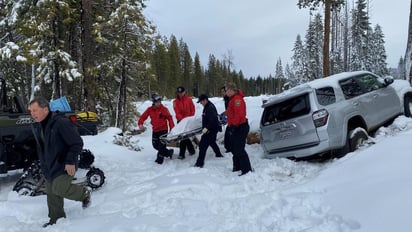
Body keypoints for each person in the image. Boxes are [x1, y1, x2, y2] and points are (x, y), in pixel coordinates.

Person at [28, 97, 91, 227]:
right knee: (51, 193)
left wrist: (70, 162)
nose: (32, 114)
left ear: (45, 109)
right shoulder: (38, 125)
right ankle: (56, 219)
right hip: (49, 165)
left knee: (59, 188)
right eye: (30, 111)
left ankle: (84, 193)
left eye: (35, 110)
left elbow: (76, 143)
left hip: (64, 164)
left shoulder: (61, 122)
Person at [225, 82, 253, 176]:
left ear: (231, 90)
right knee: (234, 148)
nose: (225, 92)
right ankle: (237, 167)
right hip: (235, 126)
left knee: (239, 148)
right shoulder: (232, 99)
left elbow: (239, 114)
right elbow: (232, 113)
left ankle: (247, 169)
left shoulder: (237, 99)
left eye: (226, 90)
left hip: (240, 126)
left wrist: (234, 126)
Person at [138, 94, 175, 164]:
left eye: (159, 102)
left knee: (161, 146)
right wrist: (140, 123)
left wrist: (172, 128)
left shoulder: (164, 109)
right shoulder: (150, 109)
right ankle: (169, 152)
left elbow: (170, 118)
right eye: (157, 102)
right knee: (155, 145)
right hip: (155, 130)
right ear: (153, 102)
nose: (159, 103)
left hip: (163, 130)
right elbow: (143, 117)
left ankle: (159, 161)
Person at [194, 94, 223, 168]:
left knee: (202, 145)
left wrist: (206, 128)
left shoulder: (209, 108)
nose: (201, 103)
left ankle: (199, 164)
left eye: (201, 102)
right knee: (212, 142)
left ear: (205, 100)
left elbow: (213, 121)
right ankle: (218, 154)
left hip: (211, 130)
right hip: (212, 130)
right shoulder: (207, 106)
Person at [173, 86, 196, 159]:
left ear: (184, 92)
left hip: (188, 120)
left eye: (181, 92)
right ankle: (187, 151)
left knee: (185, 136)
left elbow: (193, 109)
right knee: (183, 137)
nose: (180, 94)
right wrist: (182, 120)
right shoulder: (175, 102)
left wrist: (189, 118)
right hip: (181, 121)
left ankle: (186, 152)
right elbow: (177, 112)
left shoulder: (189, 100)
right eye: (179, 92)